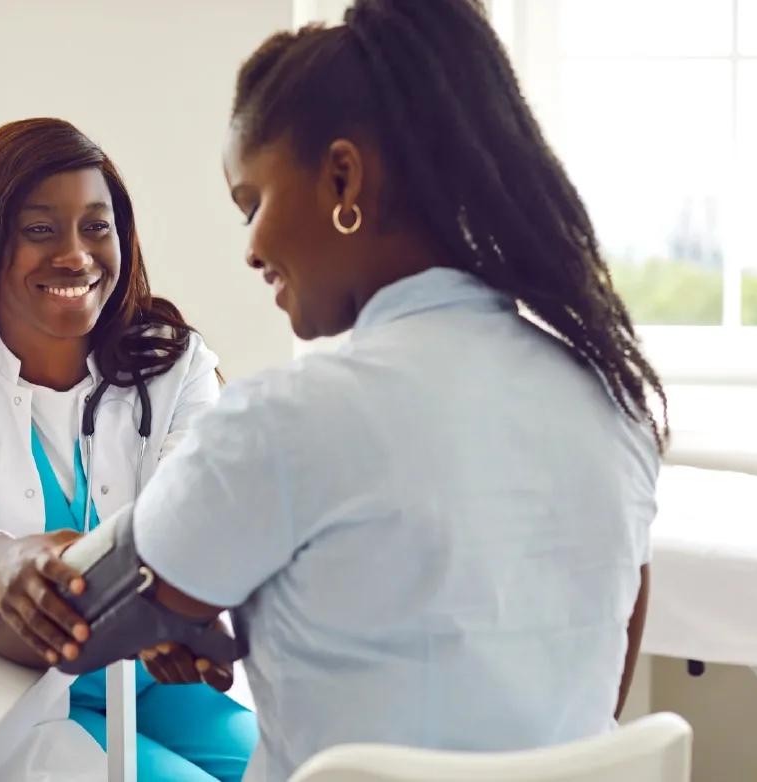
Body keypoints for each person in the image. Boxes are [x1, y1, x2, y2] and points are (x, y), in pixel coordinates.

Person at [122, 0, 667, 777]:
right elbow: (590, 704)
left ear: (343, 176)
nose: (250, 250)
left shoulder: (285, 421)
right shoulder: (615, 408)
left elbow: (98, 608)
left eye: (253, 204)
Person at [0, 118, 256, 782]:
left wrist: (184, 601)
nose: (75, 255)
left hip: (162, 682)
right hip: (27, 697)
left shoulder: (175, 365)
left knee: (301, 771)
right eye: (40, 230)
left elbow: (204, 508)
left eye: (97, 227)